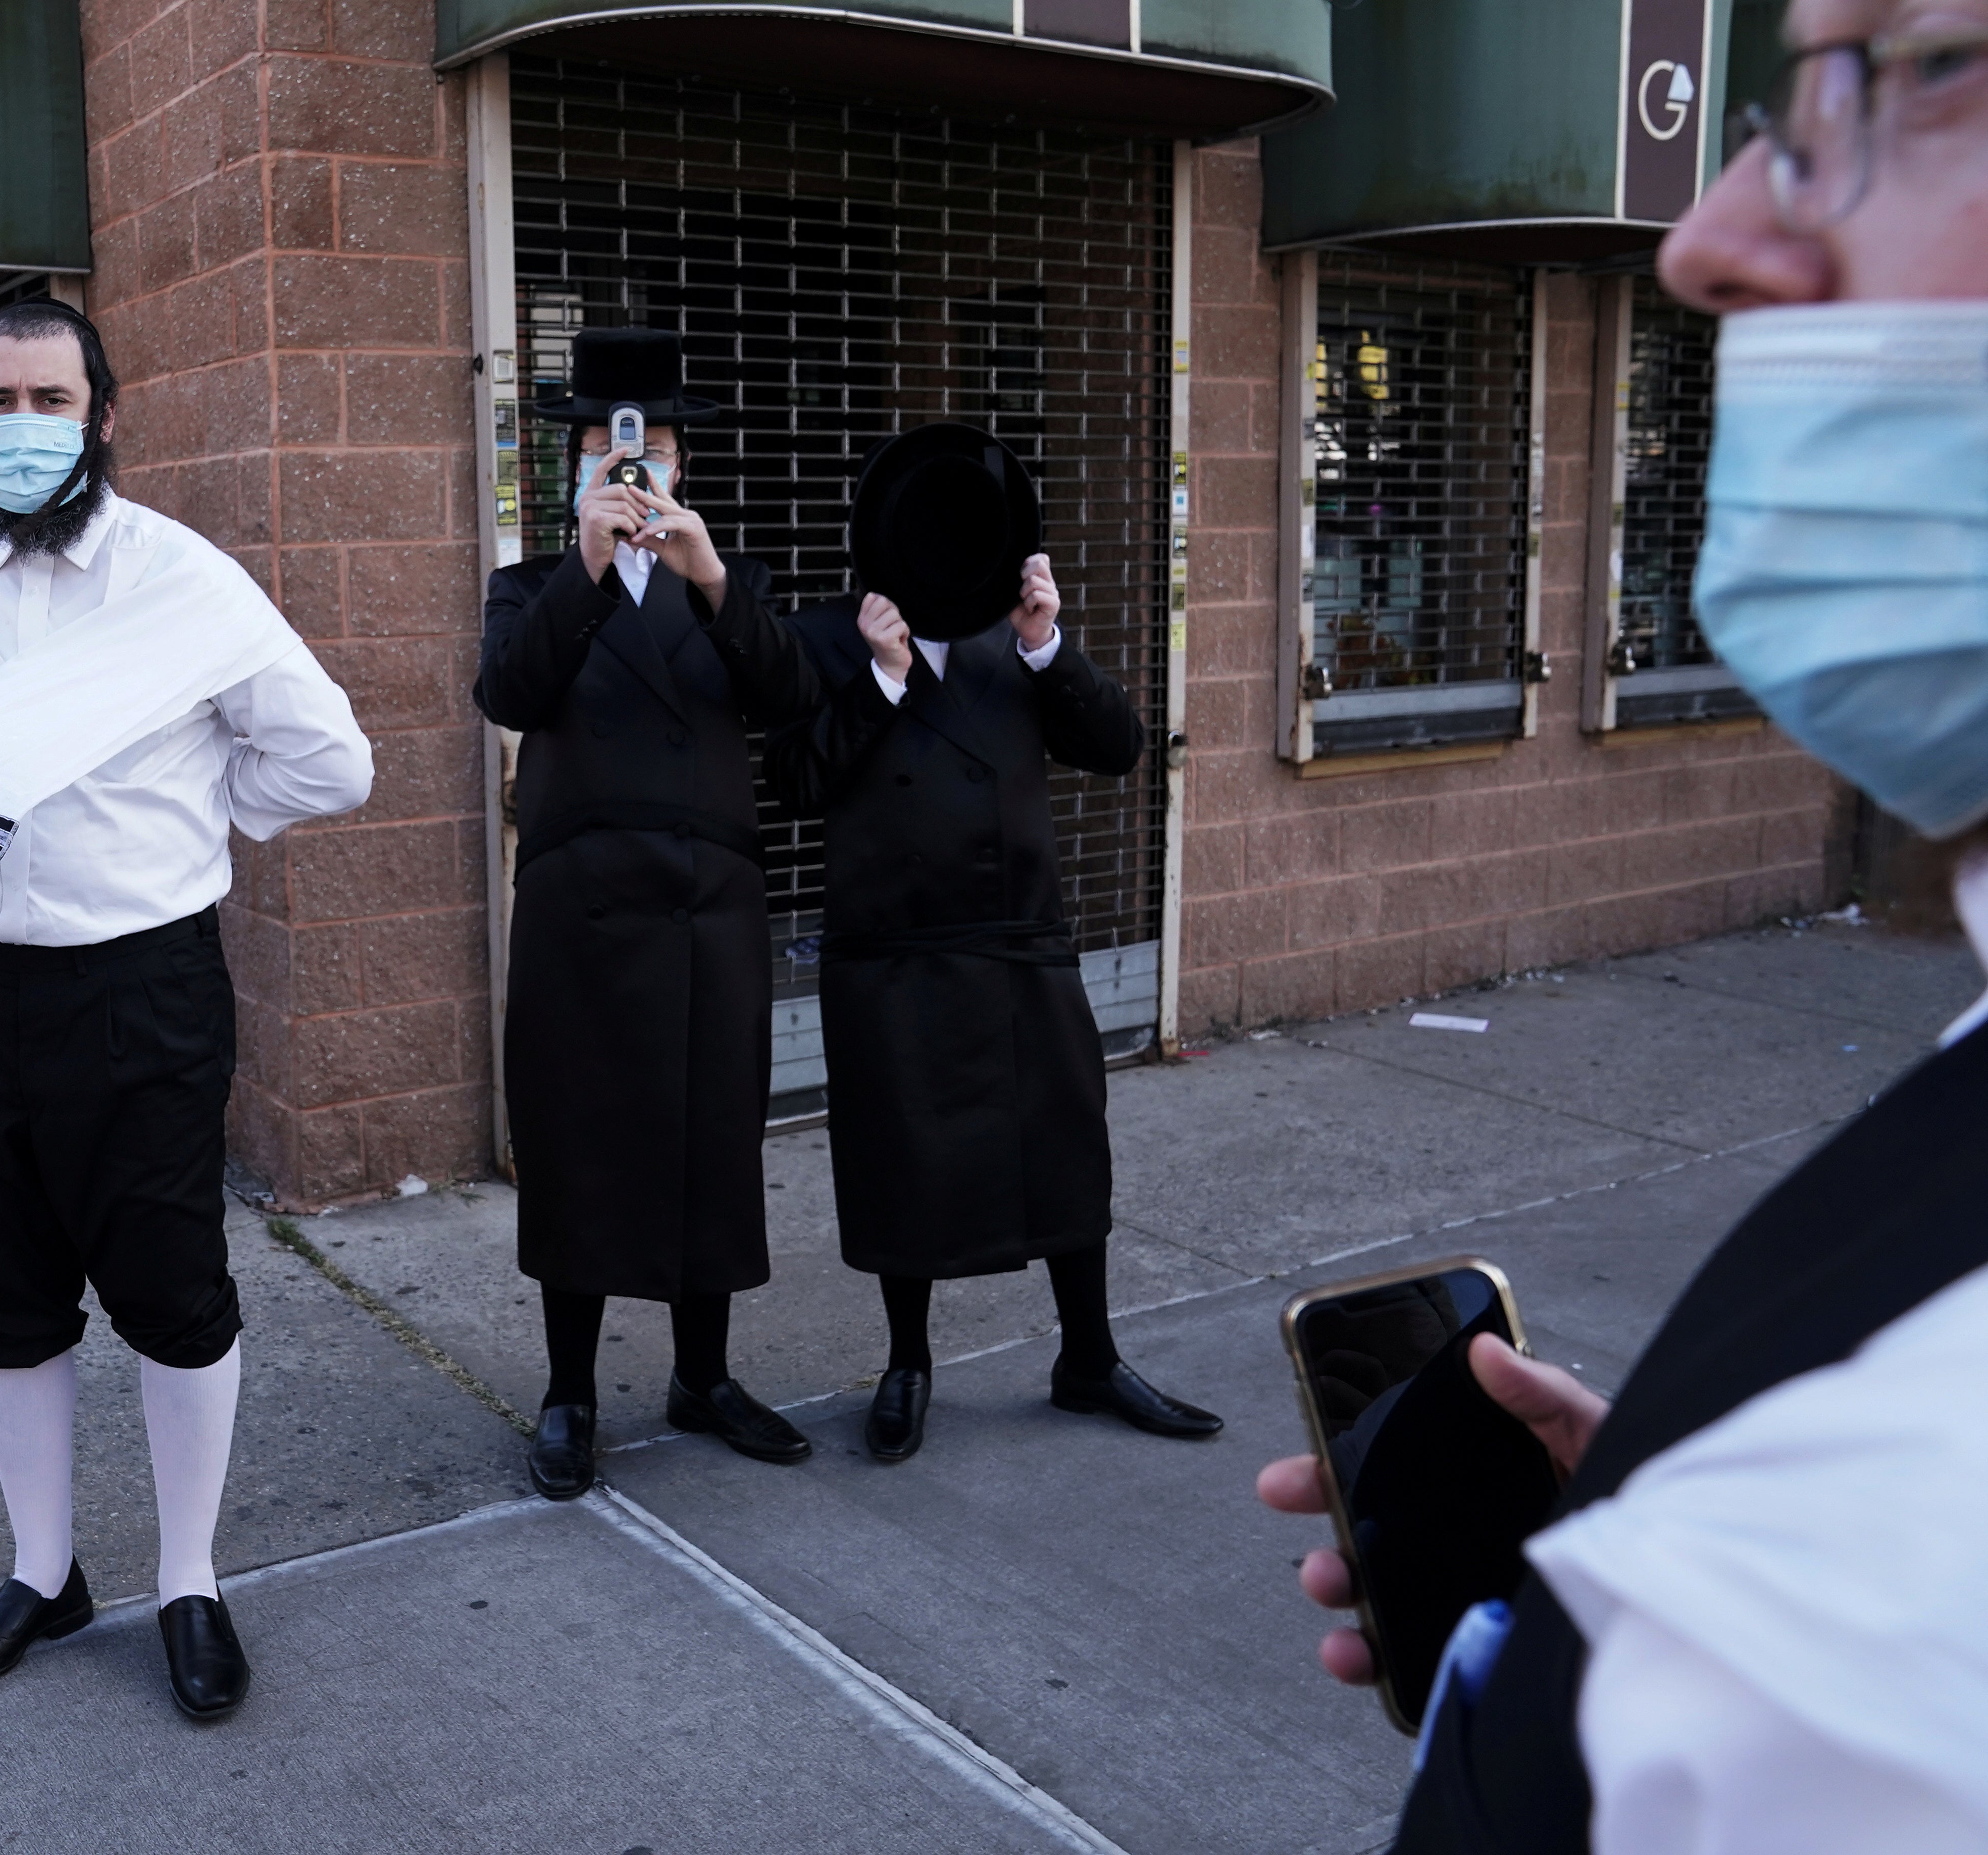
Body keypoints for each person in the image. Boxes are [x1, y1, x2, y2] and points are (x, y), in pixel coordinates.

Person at [1259, 3, 1988, 1845]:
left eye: (1923, 69)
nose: (1712, 234)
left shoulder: (1846, 1619)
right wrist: (1645, 1525)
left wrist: (1651, 1647)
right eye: (1784, 101)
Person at [0, 300, 372, 1718]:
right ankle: (44, 1570)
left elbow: (330, 762)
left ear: (103, 415)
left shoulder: (186, 583)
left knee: (173, 1301)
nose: (21, 426)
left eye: (49, 400)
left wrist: (191, 811)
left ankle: (189, 1577)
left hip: (142, 990)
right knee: (6, 1304)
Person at [763, 423, 1218, 1462]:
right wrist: (879, 677)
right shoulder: (826, 639)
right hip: (889, 951)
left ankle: (1088, 1357)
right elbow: (794, 783)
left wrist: (1048, 642)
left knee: (1063, 1148)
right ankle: (906, 1362)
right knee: (901, 1162)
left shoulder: (1011, 636)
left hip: (1017, 938)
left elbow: (1116, 747)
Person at [475, 326, 823, 1502]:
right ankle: (569, 1391)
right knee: (578, 1146)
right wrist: (582, 565)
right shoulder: (529, 587)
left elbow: (787, 698)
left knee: (707, 1143)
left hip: (708, 905)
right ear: (574, 468)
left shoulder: (727, 582)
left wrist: (711, 577)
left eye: (654, 452)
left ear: (681, 469)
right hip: (580, 910)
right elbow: (507, 693)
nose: (631, 472)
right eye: (608, 452)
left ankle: (702, 1375)